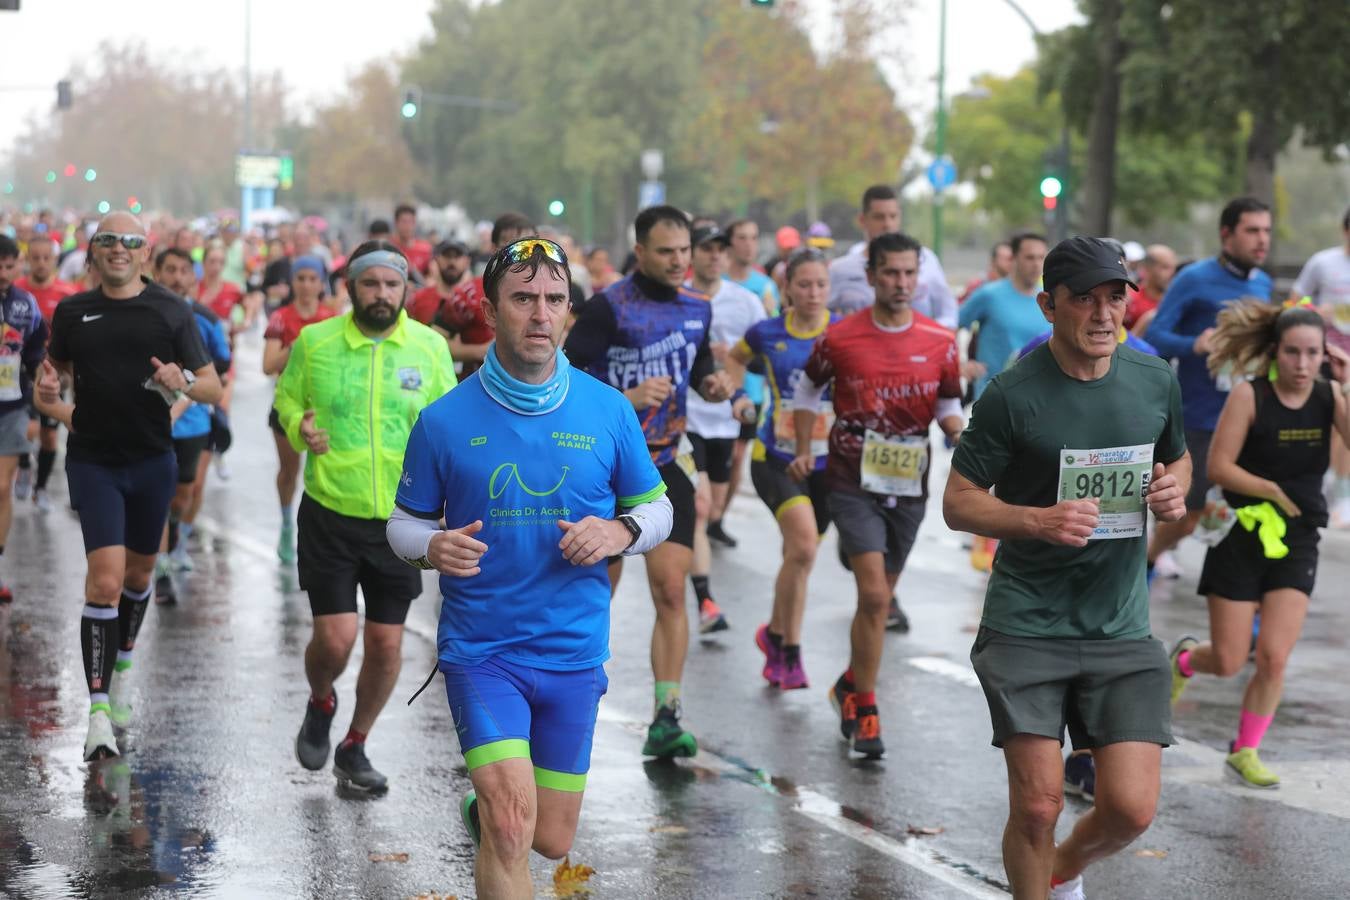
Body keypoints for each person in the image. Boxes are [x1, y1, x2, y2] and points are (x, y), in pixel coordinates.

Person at [388, 238, 672, 898]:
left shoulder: (607, 411)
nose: (539, 314)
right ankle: (496, 808)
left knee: (550, 838)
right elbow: (402, 524)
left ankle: (487, 809)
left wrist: (618, 530)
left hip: (573, 652)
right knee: (515, 826)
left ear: (569, 310)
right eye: (522, 299)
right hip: (482, 651)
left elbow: (658, 511)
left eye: (552, 300)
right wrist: (431, 546)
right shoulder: (444, 420)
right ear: (490, 310)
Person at [944, 236, 1191, 900]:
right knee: (1036, 806)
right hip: (1027, 622)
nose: (1105, 313)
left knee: (1131, 809)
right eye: (1085, 298)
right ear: (1048, 305)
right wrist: (1036, 519)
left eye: (1116, 297)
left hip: (1119, 625)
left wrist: (1173, 491)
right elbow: (957, 502)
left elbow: (1178, 459)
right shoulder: (1011, 395)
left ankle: (1059, 870)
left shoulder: (1154, 380)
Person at [37, 213, 222, 761]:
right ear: (92, 253)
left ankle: (120, 665)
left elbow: (211, 386)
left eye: (132, 241)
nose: (120, 248)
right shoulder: (72, 312)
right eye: (109, 240)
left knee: (140, 575)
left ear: (146, 254)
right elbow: (59, 377)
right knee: (105, 581)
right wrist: (55, 396)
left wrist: (183, 380)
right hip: (93, 462)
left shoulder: (171, 310)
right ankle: (97, 713)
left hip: (151, 462)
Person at [276, 241, 455, 793]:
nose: (382, 294)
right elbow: (285, 400)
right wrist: (298, 428)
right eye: (371, 284)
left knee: (385, 644)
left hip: (402, 520)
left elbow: (450, 424)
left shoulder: (428, 347)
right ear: (350, 287)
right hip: (331, 511)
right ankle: (321, 699)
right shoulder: (316, 342)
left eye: (392, 285)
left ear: (406, 290)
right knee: (335, 639)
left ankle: (355, 744)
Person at [564, 205, 735, 760]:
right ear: (640, 252)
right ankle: (573, 693)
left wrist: (713, 385)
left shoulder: (698, 309)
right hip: (604, 466)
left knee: (670, 589)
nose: (680, 261)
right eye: (667, 252)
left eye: (685, 251)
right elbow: (565, 377)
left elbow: (702, 364)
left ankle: (666, 714)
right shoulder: (607, 308)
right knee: (596, 594)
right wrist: (626, 400)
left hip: (664, 463)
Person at [792, 232, 963, 757]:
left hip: (909, 483)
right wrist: (803, 446)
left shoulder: (940, 339)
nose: (901, 283)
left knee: (880, 598)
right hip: (850, 479)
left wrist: (961, 435)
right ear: (870, 276)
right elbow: (806, 389)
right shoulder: (841, 338)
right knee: (872, 596)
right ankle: (865, 706)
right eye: (890, 273)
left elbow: (947, 404)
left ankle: (849, 682)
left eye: (910, 274)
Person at [1170, 299, 1349, 788]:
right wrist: (1270, 489)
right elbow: (1220, 468)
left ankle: (1245, 749)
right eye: (1293, 353)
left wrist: (1347, 387)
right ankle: (1186, 658)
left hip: (1297, 538)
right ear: (1275, 352)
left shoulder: (1331, 396)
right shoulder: (1251, 396)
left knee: (1273, 656)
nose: (1302, 364)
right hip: (1242, 532)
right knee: (1228, 660)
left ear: (1324, 355)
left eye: (1313, 353)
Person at [1146, 198, 1272, 582]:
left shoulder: (1264, 283)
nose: (1262, 240)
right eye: (1252, 231)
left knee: (1248, 509)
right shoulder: (1194, 279)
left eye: (1266, 231)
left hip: (1249, 415)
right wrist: (1194, 345)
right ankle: (1146, 564)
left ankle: (1240, 601)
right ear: (1226, 234)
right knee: (1189, 515)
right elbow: (1155, 335)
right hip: (1200, 417)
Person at [727, 248, 836, 690]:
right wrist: (739, 398)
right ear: (786, 287)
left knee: (799, 558)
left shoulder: (843, 334)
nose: (813, 293)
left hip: (829, 463)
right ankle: (789, 652)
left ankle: (773, 634)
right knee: (805, 547)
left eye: (821, 285)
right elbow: (734, 359)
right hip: (775, 457)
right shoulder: (767, 333)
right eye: (804, 284)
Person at [683, 225, 764, 633]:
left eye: (720, 250)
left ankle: (680, 550)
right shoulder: (679, 299)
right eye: (706, 249)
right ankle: (706, 601)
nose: (714, 256)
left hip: (727, 419)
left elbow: (765, 356)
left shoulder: (746, 303)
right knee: (699, 510)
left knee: (712, 509)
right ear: (691, 254)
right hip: (685, 417)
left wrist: (736, 364)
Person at [148, 248, 232, 596]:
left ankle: (176, 541)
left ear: (193, 277)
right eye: (170, 270)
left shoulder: (205, 319)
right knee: (157, 492)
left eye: (184, 270)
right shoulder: (145, 316)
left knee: (185, 492)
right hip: (153, 420)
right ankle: (161, 561)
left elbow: (222, 365)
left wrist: (191, 378)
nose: (177, 277)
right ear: (156, 273)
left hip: (194, 421)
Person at [263, 256, 337, 563]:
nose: (306, 285)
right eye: (300, 278)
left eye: (312, 279)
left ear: (321, 283)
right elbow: (267, 366)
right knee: (290, 472)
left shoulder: (330, 317)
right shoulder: (281, 317)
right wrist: (297, 345)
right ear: (292, 282)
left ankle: (324, 535)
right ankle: (284, 525)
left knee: (326, 472)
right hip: (289, 408)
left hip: (325, 409)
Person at [1290, 206, 1350, 525]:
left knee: (1346, 418)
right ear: (1345, 230)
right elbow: (1293, 303)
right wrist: (1316, 310)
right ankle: (1325, 478)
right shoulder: (1323, 262)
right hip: (1321, 353)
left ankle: (1343, 493)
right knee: (1326, 419)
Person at [828, 184, 957, 328]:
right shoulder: (840, 270)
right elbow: (821, 317)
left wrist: (925, 337)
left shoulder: (927, 260)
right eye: (879, 217)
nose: (887, 224)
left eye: (893, 216)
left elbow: (949, 314)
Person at [0, 235, 49, 600]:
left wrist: (42, 376)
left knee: (2, 487)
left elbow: (35, 349)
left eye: (9, 265)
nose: (3, 272)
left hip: (12, 405)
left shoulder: (24, 304)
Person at [14, 234, 77, 511]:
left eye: (46, 258)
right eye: (35, 258)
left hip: (54, 372)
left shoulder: (68, 293)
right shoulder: (16, 290)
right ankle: (25, 464)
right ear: (27, 260)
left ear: (54, 260)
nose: (40, 263)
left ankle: (41, 489)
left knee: (50, 437)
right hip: (18, 372)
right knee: (27, 428)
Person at [436, 213, 536, 375]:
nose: (519, 250)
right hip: (479, 389)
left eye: (527, 243)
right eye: (510, 242)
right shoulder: (469, 293)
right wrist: (480, 351)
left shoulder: (551, 291)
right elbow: (435, 340)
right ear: (493, 248)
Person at [958, 232, 1050, 400]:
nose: (1037, 264)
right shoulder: (989, 295)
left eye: (1041, 257)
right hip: (993, 399)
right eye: (1030, 257)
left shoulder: (1049, 300)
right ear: (1013, 259)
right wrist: (959, 365)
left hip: (1039, 400)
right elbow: (951, 327)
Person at [408, 238, 472, 327]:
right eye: (447, 256)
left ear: (467, 262)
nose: (451, 262)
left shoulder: (474, 303)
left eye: (457, 256)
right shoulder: (418, 299)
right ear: (436, 259)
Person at [1123, 244, 1178, 333]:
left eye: (1174, 268)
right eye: (1165, 267)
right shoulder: (1129, 301)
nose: (1172, 273)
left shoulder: (1176, 301)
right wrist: (1142, 326)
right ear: (1147, 269)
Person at [393, 203, 433, 280]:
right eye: (404, 222)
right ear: (396, 223)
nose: (407, 226)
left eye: (411, 222)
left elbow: (432, 277)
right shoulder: (389, 248)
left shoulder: (426, 249)